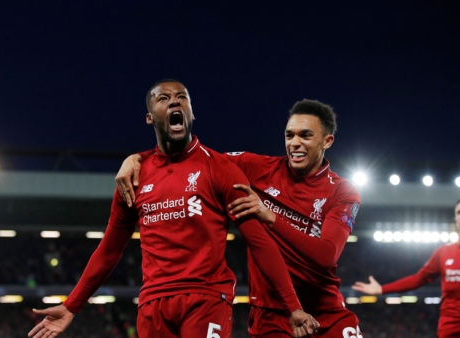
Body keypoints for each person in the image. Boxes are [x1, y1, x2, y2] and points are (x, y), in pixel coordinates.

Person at [28, 79, 319, 338]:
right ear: (149, 117)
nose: (174, 101)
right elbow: (109, 249)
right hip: (153, 305)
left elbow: (259, 242)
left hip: (206, 299)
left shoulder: (220, 169)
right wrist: (72, 305)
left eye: (182, 97)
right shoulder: (134, 177)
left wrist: (293, 307)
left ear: (191, 113)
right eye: (163, 98)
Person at [117, 99, 363, 337]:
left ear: (327, 141)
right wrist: (140, 158)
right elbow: (195, 157)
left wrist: (270, 216)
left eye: (305, 135)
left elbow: (326, 255)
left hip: (327, 310)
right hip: (271, 314)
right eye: (290, 135)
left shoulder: (342, 191)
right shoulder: (254, 167)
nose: (295, 143)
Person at [353, 197, 460, 337]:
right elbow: (418, 279)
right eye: (459, 212)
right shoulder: (444, 252)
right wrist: (382, 289)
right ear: (456, 220)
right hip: (448, 327)